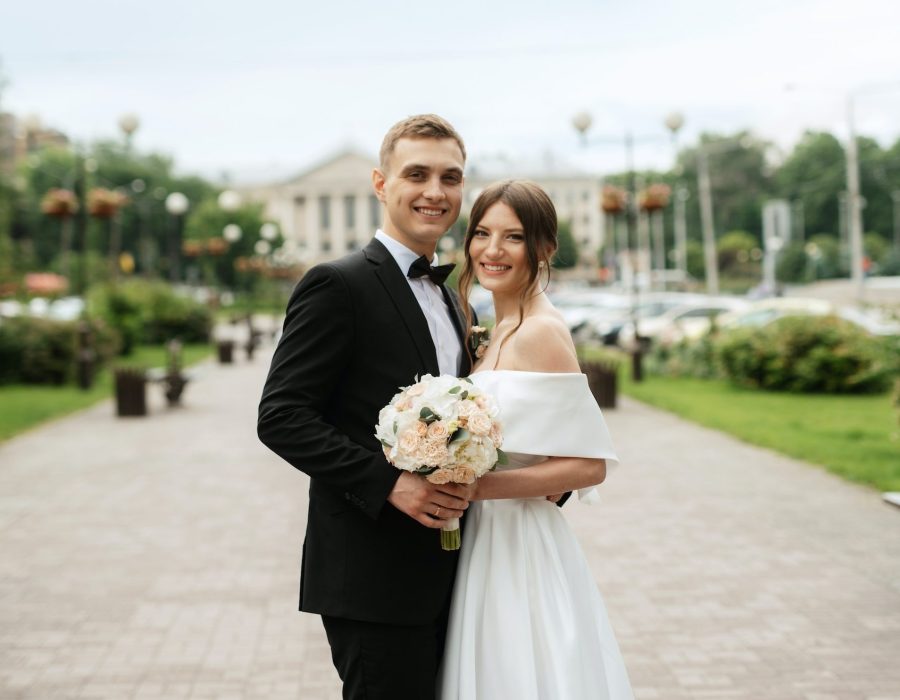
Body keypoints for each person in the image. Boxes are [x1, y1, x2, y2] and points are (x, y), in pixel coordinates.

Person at [257, 114, 478, 700]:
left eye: (451, 177)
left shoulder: (453, 299)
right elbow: (281, 416)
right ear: (382, 184)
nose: (436, 191)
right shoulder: (337, 284)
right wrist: (389, 485)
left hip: (453, 569)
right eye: (418, 174)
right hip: (372, 574)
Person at [438, 180, 634, 699]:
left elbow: (589, 465)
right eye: (481, 233)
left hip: (519, 542)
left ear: (544, 248)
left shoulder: (542, 331)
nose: (492, 250)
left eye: (513, 237)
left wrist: (476, 488)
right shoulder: (491, 328)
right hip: (481, 538)